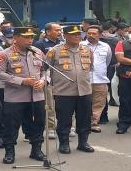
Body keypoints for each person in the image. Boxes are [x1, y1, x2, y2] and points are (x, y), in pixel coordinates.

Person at [0, 27, 46, 164]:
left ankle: (36, 150)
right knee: (11, 125)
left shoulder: (37, 52)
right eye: (26, 37)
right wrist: (21, 81)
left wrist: (43, 81)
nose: (30, 40)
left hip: (37, 96)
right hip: (15, 97)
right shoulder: (4, 54)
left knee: (38, 123)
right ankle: (9, 152)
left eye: (32, 37)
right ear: (16, 38)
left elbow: (46, 71)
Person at [46, 25, 95, 154]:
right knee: (64, 119)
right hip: (64, 92)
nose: (77, 36)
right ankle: (64, 143)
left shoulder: (87, 50)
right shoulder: (54, 51)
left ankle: (83, 142)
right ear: (65, 35)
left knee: (85, 118)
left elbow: (91, 67)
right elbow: (46, 70)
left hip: (84, 90)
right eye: (74, 34)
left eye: (79, 34)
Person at [33, 22, 62, 139]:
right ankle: (50, 127)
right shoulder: (39, 44)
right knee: (49, 103)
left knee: (63, 103)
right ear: (48, 32)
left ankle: (66, 126)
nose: (59, 32)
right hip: (47, 77)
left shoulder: (63, 43)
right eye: (57, 30)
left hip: (61, 78)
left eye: (60, 30)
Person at [81, 25, 111, 133]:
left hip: (100, 80)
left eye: (94, 33)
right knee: (81, 103)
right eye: (89, 33)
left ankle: (93, 123)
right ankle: (78, 124)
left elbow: (107, 61)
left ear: (100, 35)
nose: (91, 35)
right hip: (83, 80)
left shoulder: (106, 46)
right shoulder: (80, 45)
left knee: (98, 103)